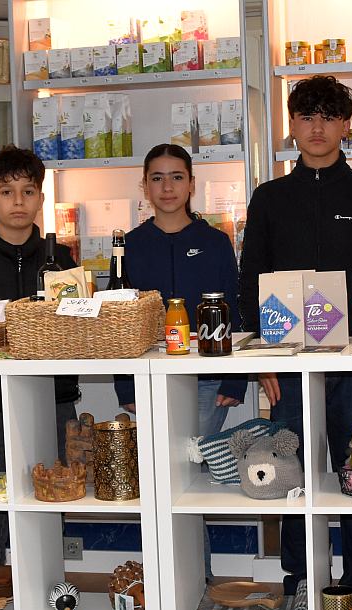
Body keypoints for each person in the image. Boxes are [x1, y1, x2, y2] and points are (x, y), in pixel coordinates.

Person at [237, 75, 352, 596]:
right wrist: (259, 359)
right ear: (292, 124)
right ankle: (303, 576)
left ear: (345, 125)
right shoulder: (269, 198)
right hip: (287, 363)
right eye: (307, 116)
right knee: (289, 470)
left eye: (328, 116)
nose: (317, 127)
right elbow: (251, 280)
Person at [115, 143, 246, 580]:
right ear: (144, 187)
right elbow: (119, 317)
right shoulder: (131, 246)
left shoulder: (214, 242)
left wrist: (237, 381)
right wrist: (126, 387)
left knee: (189, 477)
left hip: (206, 379)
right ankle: (161, 579)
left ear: (192, 184)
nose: (167, 187)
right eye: (157, 177)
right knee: (156, 480)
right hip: (149, 379)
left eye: (176, 177)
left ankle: (196, 580)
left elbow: (236, 310)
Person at [0, 145, 79, 574]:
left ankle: (46, 590)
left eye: (29, 191)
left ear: (42, 199)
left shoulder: (61, 259)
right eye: (7, 192)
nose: (19, 201)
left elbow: (78, 324)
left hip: (55, 400)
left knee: (51, 499)